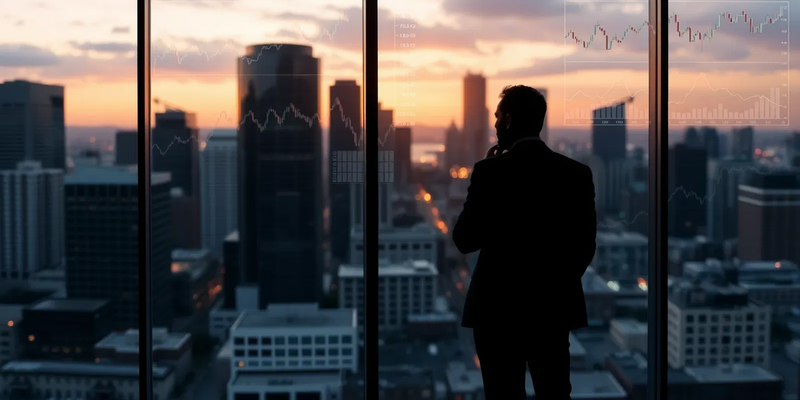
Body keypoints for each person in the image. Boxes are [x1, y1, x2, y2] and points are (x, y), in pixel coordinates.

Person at [452, 85, 597, 400]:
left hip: (496, 313)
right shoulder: (576, 174)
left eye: (498, 117)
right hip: (552, 311)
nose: (494, 125)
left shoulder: (490, 172)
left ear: (508, 121)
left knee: (503, 394)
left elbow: (464, 239)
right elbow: (584, 248)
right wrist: (551, 288)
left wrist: (483, 182)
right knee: (555, 393)